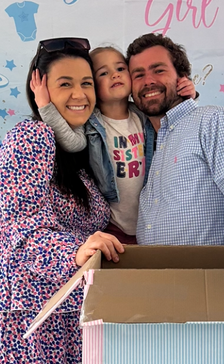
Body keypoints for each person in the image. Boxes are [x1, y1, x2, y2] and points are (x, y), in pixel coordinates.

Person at [0, 38, 124, 364]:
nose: (79, 94)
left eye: (86, 83)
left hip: (69, 315)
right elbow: (19, 227)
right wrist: (76, 250)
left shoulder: (80, 151)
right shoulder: (31, 137)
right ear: (40, 88)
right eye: (65, 83)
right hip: (28, 313)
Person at [31, 46, 196, 244]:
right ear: (92, 86)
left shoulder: (143, 115)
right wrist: (45, 107)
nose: (114, 75)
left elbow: (172, 123)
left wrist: (185, 96)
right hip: (113, 225)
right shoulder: (91, 124)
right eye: (103, 73)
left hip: (152, 220)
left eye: (120, 69)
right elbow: (72, 143)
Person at [127, 33, 224, 246]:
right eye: (138, 75)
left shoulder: (213, 120)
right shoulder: (148, 142)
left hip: (213, 268)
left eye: (158, 70)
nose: (148, 81)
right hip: (156, 267)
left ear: (182, 76)